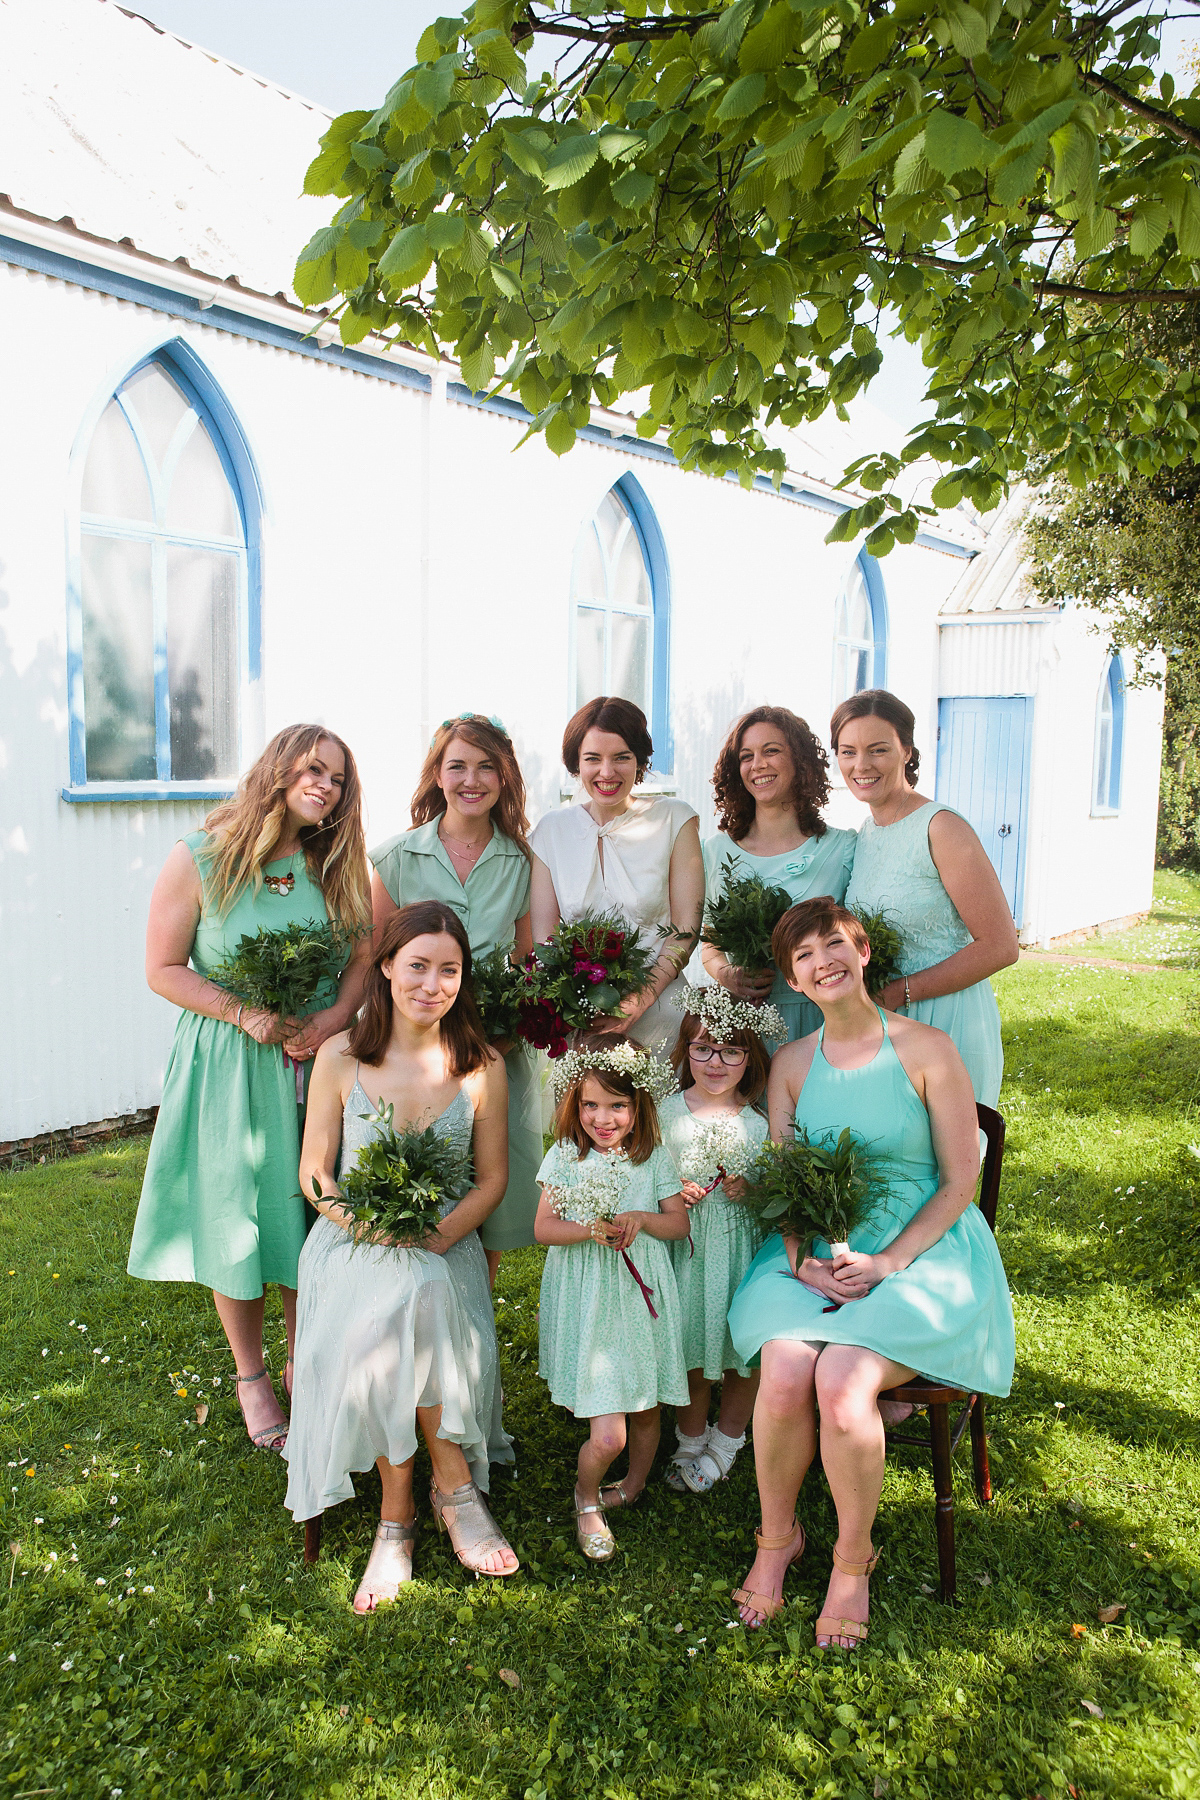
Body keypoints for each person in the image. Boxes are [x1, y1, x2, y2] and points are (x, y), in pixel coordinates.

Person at [727, 899, 1014, 1648]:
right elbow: (787, 1185)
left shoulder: (927, 1050)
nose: (823, 962)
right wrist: (801, 1262)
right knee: (786, 1372)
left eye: (834, 945)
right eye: (804, 956)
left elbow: (958, 1181)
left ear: (861, 952)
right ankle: (777, 1539)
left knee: (843, 1380)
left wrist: (889, 1261)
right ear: (793, 978)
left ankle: (852, 1561)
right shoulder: (791, 1065)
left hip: (923, 1246)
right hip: (817, 1248)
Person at [128, 725, 372, 1453]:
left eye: (337, 780)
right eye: (313, 769)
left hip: (316, 1063)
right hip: (230, 1061)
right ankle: (251, 1376)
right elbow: (163, 968)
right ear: (278, 769)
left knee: (310, 1206)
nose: (324, 786)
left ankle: (309, 1359)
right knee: (239, 1213)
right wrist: (244, 1012)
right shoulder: (201, 858)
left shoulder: (336, 866)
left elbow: (364, 957)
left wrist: (331, 1018)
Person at [285, 902, 518, 1610]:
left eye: (449, 970)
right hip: (350, 1241)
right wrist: (360, 1222)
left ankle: (398, 1522)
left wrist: (439, 1237)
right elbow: (316, 1172)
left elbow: (493, 1180)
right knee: (408, 1291)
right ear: (386, 967)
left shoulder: (481, 1065)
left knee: (416, 1288)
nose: (433, 983)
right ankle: (451, 1488)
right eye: (417, 965)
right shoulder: (341, 1055)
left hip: (443, 1242)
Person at [370, 713, 540, 1285]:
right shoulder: (395, 858)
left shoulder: (523, 863)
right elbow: (375, 959)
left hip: (491, 1052)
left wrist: (501, 1039)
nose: (472, 779)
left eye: (487, 766)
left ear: (505, 777)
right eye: (458, 765)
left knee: (487, 1190)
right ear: (437, 775)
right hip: (411, 1053)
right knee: (415, 1180)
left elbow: (527, 967)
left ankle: (472, 1318)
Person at [533, 1036, 688, 1561]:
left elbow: (677, 1223)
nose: (604, 1118)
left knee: (646, 1408)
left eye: (618, 1105)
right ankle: (585, 1498)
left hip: (640, 1294)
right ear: (574, 1106)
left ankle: (634, 1484)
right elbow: (543, 1229)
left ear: (638, 1105)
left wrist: (641, 1219)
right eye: (591, 1104)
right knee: (609, 1434)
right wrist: (588, 1229)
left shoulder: (653, 1158)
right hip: (591, 1298)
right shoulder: (564, 1156)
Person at [834, 689, 1019, 1107]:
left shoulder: (941, 827)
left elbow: (1001, 946)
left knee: (949, 1158)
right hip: (886, 1022)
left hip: (946, 1017)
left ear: (907, 752)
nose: (861, 765)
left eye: (877, 749)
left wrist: (902, 991)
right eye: (848, 752)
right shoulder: (866, 835)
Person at [529, 697, 705, 1057]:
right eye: (593, 758)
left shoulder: (675, 820)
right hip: (586, 1019)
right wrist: (577, 1001)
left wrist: (644, 997)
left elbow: (686, 930)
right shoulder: (551, 830)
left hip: (663, 1010)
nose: (606, 772)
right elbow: (545, 942)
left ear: (639, 761)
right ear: (576, 763)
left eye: (621, 757)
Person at [657, 984, 780, 1495]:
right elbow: (644, 1173)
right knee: (688, 1341)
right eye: (703, 1047)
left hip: (738, 1251)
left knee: (739, 1351)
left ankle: (728, 1438)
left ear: (749, 1058)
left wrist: (750, 1190)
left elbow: (776, 1194)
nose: (715, 1061)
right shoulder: (664, 1112)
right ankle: (689, 1436)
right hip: (684, 1252)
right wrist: (670, 1193)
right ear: (686, 1049)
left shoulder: (759, 1122)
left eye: (731, 1050)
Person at [701, 706, 857, 1043]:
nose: (758, 764)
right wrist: (727, 974)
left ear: (800, 760)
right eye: (746, 756)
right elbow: (709, 945)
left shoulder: (842, 848)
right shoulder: (716, 852)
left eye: (771, 751)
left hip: (821, 1019)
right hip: (743, 1026)